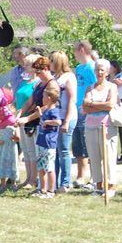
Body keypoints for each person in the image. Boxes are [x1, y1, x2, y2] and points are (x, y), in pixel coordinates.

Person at [16, 56, 61, 194]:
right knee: (29, 152)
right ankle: (30, 179)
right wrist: (19, 114)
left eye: (39, 72)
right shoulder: (39, 84)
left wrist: (27, 118)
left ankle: (39, 184)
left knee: (38, 155)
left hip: (40, 123)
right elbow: (30, 102)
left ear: (46, 69)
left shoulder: (52, 85)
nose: (37, 75)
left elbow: (46, 107)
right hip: (30, 121)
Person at [83, 59, 119, 199]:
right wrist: (97, 105)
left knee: (108, 155)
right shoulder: (90, 87)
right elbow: (84, 106)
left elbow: (110, 105)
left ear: (107, 71)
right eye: (97, 69)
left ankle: (110, 185)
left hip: (106, 125)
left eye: (102, 70)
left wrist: (92, 104)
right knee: (94, 156)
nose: (99, 72)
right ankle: (98, 185)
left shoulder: (112, 87)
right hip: (90, 125)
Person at [49, 51, 77, 193]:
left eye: (52, 61)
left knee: (64, 150)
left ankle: (66, 182)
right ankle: (54, 182)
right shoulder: (54, 77)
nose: (50, 63)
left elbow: (72, 99)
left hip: (67, 117)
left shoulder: (69, 77)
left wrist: (66, 121)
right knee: (56, 151)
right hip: (56, 117)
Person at [72, 40, 96, 189]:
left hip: (86, 110)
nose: (74, 54)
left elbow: (95, 87)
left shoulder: (92, 67)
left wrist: (87, 105)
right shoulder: (79, 68)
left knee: (89, 144)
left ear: (81, 49)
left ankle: (94, 177)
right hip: (76, 109)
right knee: (78, 146)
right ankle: (80, 176)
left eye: (75, 50)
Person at [14, 53, 39, 189]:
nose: (25, 67)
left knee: (32, 150)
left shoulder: (37, 83)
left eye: (28, 65)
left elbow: (33, 102)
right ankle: (28, 177)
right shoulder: (25, 81)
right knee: (26, 149)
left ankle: (33, 179)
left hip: (31, 119)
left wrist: (25, 115)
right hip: (21, 118)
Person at [34, 86, 62, 199]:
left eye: (44, 96)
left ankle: (51, 190)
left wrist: (47, 122)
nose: (42, 98)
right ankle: (43, 189)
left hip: (49, 143)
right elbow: (42, 121)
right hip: (41, 141)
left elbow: (58, 122)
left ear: (49, 98)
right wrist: (40, 113)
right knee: (41, 167)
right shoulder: (46, 109)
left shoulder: (54, 111)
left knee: (49, 167)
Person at [0, 88, 20, 193]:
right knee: (2, 164)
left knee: (13, 164)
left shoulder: (14, 126)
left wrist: (15, 138)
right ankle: (3, 184)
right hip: (3, 148)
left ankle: (14, 183)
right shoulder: (1, 127)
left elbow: (18, 138)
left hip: (12, 148)